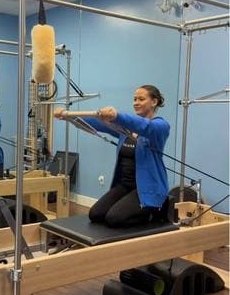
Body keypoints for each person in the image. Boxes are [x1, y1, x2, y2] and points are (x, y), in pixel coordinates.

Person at [54, 85, 170, 227]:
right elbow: (97, 124)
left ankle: (151, 213)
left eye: (141, 99)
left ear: (154, 102)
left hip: (146, 189)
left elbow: (144, 126)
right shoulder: (126, 128)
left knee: (114, 218)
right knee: (95, 214)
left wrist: (117, 116)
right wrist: (68, 116)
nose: (136, 102)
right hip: (124, 185)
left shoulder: (161, 126)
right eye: (134, 99)